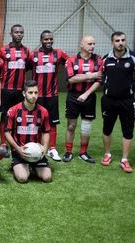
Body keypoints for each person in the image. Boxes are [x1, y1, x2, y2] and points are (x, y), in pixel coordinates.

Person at [63, 35, 103, 163]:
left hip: (89, 96)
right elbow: (71, 79)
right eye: (89, 44)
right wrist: (91, 75)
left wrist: (86, 94)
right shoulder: (71, 60)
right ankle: (68, 152)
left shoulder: (98, 60)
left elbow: (98, 81)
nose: (92, 46)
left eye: (93, 44)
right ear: (82, 44)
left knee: (86, 126)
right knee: (71, 126)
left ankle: (83, 153)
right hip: (73, 96)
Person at [30, 30, 68, 161]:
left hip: (52, 95)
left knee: (52, 122)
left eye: (51, 39)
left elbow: (71, 63)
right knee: (37, 121)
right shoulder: (33, 55)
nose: (49, 41)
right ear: (41, 40)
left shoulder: (59, 53)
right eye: (46, 39)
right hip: (37, 95)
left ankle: (52, 148)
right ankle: (38, 146)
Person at [100, 31, 135, 173]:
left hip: (127, 101)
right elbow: (101, 77)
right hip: (109, 101)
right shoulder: (105, 59)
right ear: (112, 43)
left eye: (123, 40)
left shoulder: (132, 58)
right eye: (117, 40)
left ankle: (124, 160)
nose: (120, 43)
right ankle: (107, 154)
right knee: (107, 128)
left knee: (128, 130)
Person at [5, 80, 52, 183]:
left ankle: (32, 166)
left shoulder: (43, 111)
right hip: (20, 151)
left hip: (37, 150)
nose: (33, 96)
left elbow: (46, 131)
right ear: (24, 93)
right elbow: (7, 132)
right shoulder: (13, 111)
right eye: (30, 93)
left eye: (36, 92)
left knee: (47, 178)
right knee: (22, 178)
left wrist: (45, 147)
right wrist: (17, 148)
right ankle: (20, 166)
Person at [0, 24, 31, 148]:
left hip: (20, 90)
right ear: (11, 34)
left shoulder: (26, 51)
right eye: (16, 32)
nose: (19, 34)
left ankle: (16, 140)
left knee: (19, 116)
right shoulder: (3, 50)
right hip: (6, 89)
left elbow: (27, 67)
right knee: (5, 116)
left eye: (21, 32)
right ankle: (3, 143)